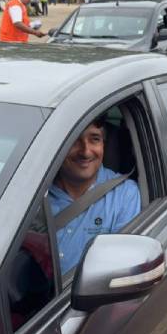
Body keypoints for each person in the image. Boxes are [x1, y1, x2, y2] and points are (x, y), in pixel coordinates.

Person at [47, 116, 141, 271]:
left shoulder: (124, 194)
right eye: (74, 140)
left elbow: (119, 270)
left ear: (104, 144)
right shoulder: (34, 194)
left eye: (94, 139)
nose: (85, 152)